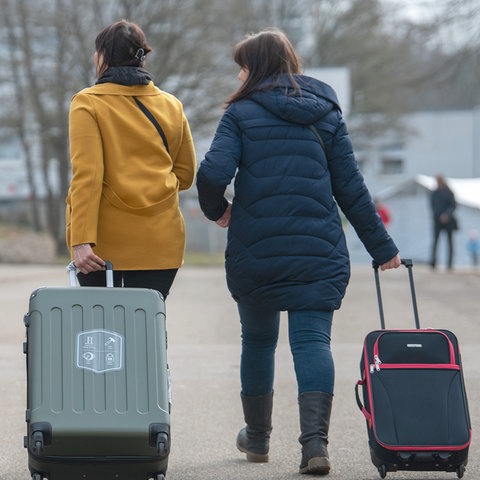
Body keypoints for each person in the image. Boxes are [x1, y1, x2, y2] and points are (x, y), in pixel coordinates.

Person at [196, 28, 400, 476]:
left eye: (243, 65)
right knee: (312, 341)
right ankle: (315, 446)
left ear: (256, 67)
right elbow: (351, 188)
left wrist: (219, 211)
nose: (240, 74)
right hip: (317, 249)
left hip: (257, 250)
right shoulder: (325, 114)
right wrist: (382, 248)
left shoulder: (242, 113)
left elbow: (211, 172)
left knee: (258, 340)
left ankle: (259, 440)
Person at [66, 20, 196, 298]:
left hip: (101, 246)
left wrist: (80, 240)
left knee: (102, 333)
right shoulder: (171, 105)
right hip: (161, 240)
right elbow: (185, 174)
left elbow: (88, 176)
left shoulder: (88, 103)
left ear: (102, 56)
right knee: (146, 330)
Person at [430, 174, 457, 271]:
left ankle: (449, 264)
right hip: (437, 221)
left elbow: (453, 206)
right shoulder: (434, 193)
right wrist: (436, 216)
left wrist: (447, 215)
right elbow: (432, 206)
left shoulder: (449, 192)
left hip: (448, 221)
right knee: (435, 242)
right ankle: (433, 263)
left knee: (450, 243)